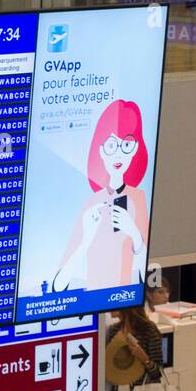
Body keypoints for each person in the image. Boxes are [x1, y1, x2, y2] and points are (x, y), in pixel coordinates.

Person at [53, 100, 150, 294]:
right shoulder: (91, 204)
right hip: (94, 296)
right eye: (112, 145)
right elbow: (58, 285)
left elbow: (146, 279)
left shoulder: (138, 197)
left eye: (127, 145)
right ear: (101, 150)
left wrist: (134, 235)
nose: (118, 154)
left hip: (125, 299)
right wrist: (86, 241)